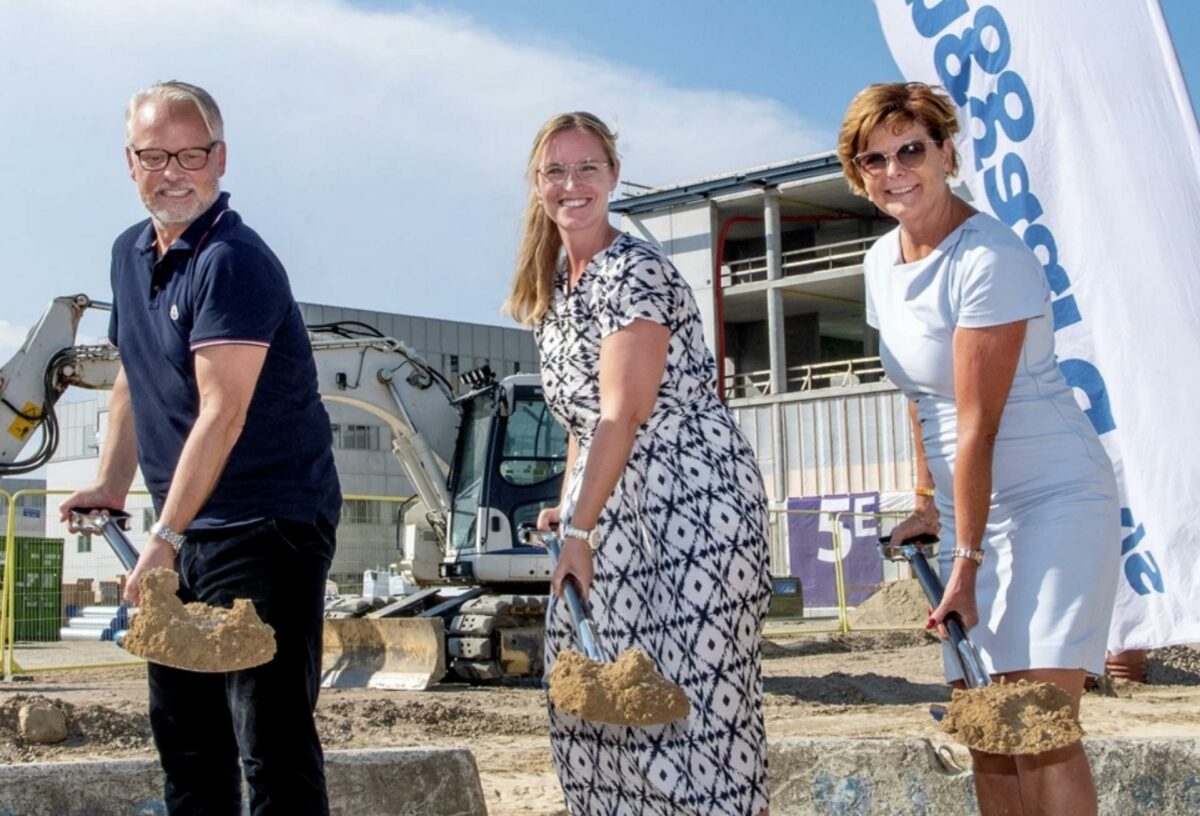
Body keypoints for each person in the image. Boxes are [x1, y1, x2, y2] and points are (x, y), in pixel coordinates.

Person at [838, 82, 1120, 815]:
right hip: (974, 504)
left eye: (911, 150)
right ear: (858, 175)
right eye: (875, 159)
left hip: (1052, 498)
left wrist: (965, 564)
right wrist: (927, 503)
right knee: (988, 731)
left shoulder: (989, 256)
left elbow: (976, 424)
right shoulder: (879, 262)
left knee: (1035, 723)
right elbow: (920, 395)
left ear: (946, 153)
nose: (895, 171)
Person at [60, 80, 340, 815]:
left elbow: (223, 411)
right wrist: (111, 483)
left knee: (269, 738)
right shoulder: (129, 253)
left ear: (220, 158)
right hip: (185, 529)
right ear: (130, 162)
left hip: (266, 525)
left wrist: (164, 537)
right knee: (187, 739)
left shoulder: (232, 261)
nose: (173, 173)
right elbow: (133, 375)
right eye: (155, 156)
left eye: (190, 155)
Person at [506, 111, 772, 816]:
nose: (572, 184)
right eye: (556, 171)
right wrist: (570, 503)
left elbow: (622, 413)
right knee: (596, 704)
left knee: (697, 712)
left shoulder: (636, 271)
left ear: (614, 177)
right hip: (613, 510)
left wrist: (580, 531)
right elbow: (582, 419)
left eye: (587, 168)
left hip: (692, 505)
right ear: (537, 184)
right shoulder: (551, 288)